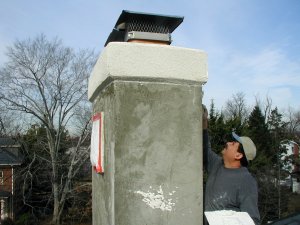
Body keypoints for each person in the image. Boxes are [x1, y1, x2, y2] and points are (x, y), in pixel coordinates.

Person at [202, 105, 260, 225]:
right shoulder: (217, 165)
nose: (228, 143)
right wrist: (204, 124)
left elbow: (252, 220)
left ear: (238, 156)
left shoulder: (246, 182)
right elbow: (204, 150)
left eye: (233, 143)